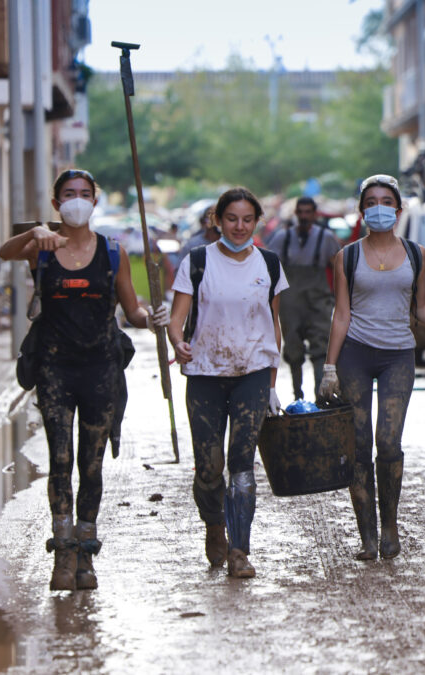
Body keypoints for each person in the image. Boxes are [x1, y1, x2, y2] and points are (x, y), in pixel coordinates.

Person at [0, 169, 168, 591]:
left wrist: (153, 319)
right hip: (54, 370)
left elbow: (132, 312)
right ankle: (63, 552)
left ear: (95, 201)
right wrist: (37, 232)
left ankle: (87, 553)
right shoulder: (40, 249)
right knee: (59, 460)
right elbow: (5, 251)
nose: (77, 201)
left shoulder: (113, 253)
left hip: (100, 370)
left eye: (85, 194)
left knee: (90, 465)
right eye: (69, 195)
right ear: (57, 204)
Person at [318, 174, 425, 561]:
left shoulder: (416, 254)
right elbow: (341, 315)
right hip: (356, 354)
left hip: (399, 355)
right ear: (362, 210)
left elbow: (420, 308)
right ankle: (367, 536)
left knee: (388, 442)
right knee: (358, 445)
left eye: (386, 201)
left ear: (398, 208)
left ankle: (390, 525)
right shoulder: (347, 256)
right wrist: (330, 367)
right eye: (371, 201)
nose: (379, 208)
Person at [166, 187, 288, 579]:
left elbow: (274, 324)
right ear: (217, 221)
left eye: (247, 220)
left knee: (241, 465)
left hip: (251, 374)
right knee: (208, 466)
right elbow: (176, 317)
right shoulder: (198, 261)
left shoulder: (268, 264)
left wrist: (271, 382)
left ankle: (239, 549)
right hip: (204, 374)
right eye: (231, 219)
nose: (239, 227)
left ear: (256, 222)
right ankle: (214, 525)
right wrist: (177, 342)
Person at [265, 196, 341, 400]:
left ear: (315, 214)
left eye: (309, 212)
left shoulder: (326, 237)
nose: (305, 216)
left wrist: (341, 296)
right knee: (293, 349)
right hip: (291, 302)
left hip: (318, 300)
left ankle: (320, 396)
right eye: (301, 212)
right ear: (296, 214)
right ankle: (297, 394)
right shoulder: (283, 237)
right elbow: (271, 267)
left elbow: (337, 267)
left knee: (320, 347)